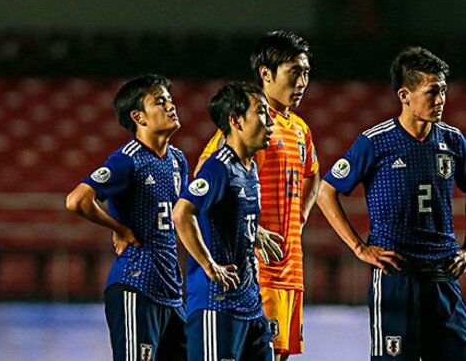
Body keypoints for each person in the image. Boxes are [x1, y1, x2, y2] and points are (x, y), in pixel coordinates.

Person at [317, 46, 466, 360]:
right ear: (405, 95)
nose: (440, 100)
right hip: (396, 276)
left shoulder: (453, 141)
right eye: (432, 92)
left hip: (443, 274)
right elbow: (325, 191)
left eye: (444, 92)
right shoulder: (376, 141)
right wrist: (359, 248)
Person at [196, 30, 319, 360]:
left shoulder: (300, 129)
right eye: (294, 72)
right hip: (259, 271)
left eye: (306, 72)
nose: (302, 82)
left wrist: (301, 216)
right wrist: (255, 231)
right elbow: (206, 174)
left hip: (291, 268)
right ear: (266, 73)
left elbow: (314, 173)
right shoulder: (251, 127)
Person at [66, 74, 187, 361]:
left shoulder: (178, 160)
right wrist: (118, 227)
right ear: (138, 117)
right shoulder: (127, 159)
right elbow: (77, 200)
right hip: (136, 285)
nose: (171, 106)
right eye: (160, 101)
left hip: (171, 290)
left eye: (170, 100)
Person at [173, 81, 275, 361]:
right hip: (216, 306)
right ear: (236, 121)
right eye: (262, 113)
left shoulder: (251, 168)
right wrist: (209, 265)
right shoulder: (218, 168)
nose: (270, 122)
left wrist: (254, 232)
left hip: (251, 306)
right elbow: (182, 213)